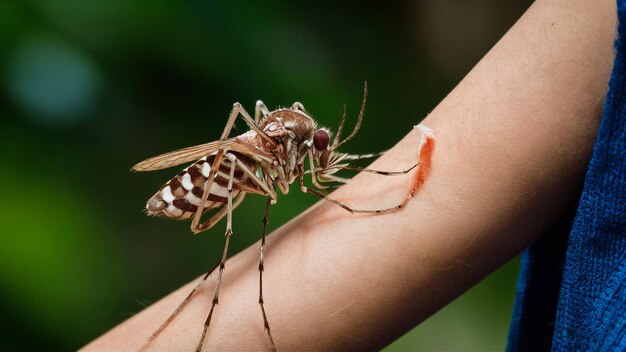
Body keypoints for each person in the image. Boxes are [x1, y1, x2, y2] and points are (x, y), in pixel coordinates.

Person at [84, 0, 622, 350]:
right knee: (243, 211)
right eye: (323, 146)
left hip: (241, 157)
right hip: (217, 169)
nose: (326, 155)